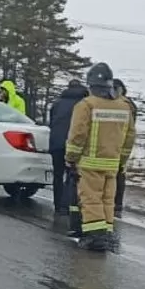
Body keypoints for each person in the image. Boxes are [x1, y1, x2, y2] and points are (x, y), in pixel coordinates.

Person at [65, 62, 136, 251]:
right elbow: (129, 137)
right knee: (107, 199)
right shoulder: (124, 107)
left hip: (89, 162)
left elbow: (77, 135)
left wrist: (71, 157)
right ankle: (106, 233)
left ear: (91, 85)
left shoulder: (86, 105)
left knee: (91, 199)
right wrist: (122, 161)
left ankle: (95, 236)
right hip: (112, 163)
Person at [47, 79, 88, 214]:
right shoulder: (84, 104)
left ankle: (58, 204)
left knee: (58, 175)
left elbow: (52, 122)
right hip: (73, 143)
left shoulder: (57, 103)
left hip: (56, 143)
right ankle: (68, 205)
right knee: (72, 175)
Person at [112, 78, 137, 217]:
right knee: (118, 174)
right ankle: (116, 204)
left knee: (117, 175)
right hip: (120, 145)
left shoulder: (124, 105)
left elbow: (128, 129)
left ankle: (115, 204)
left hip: (116, 145)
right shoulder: (128, 105)